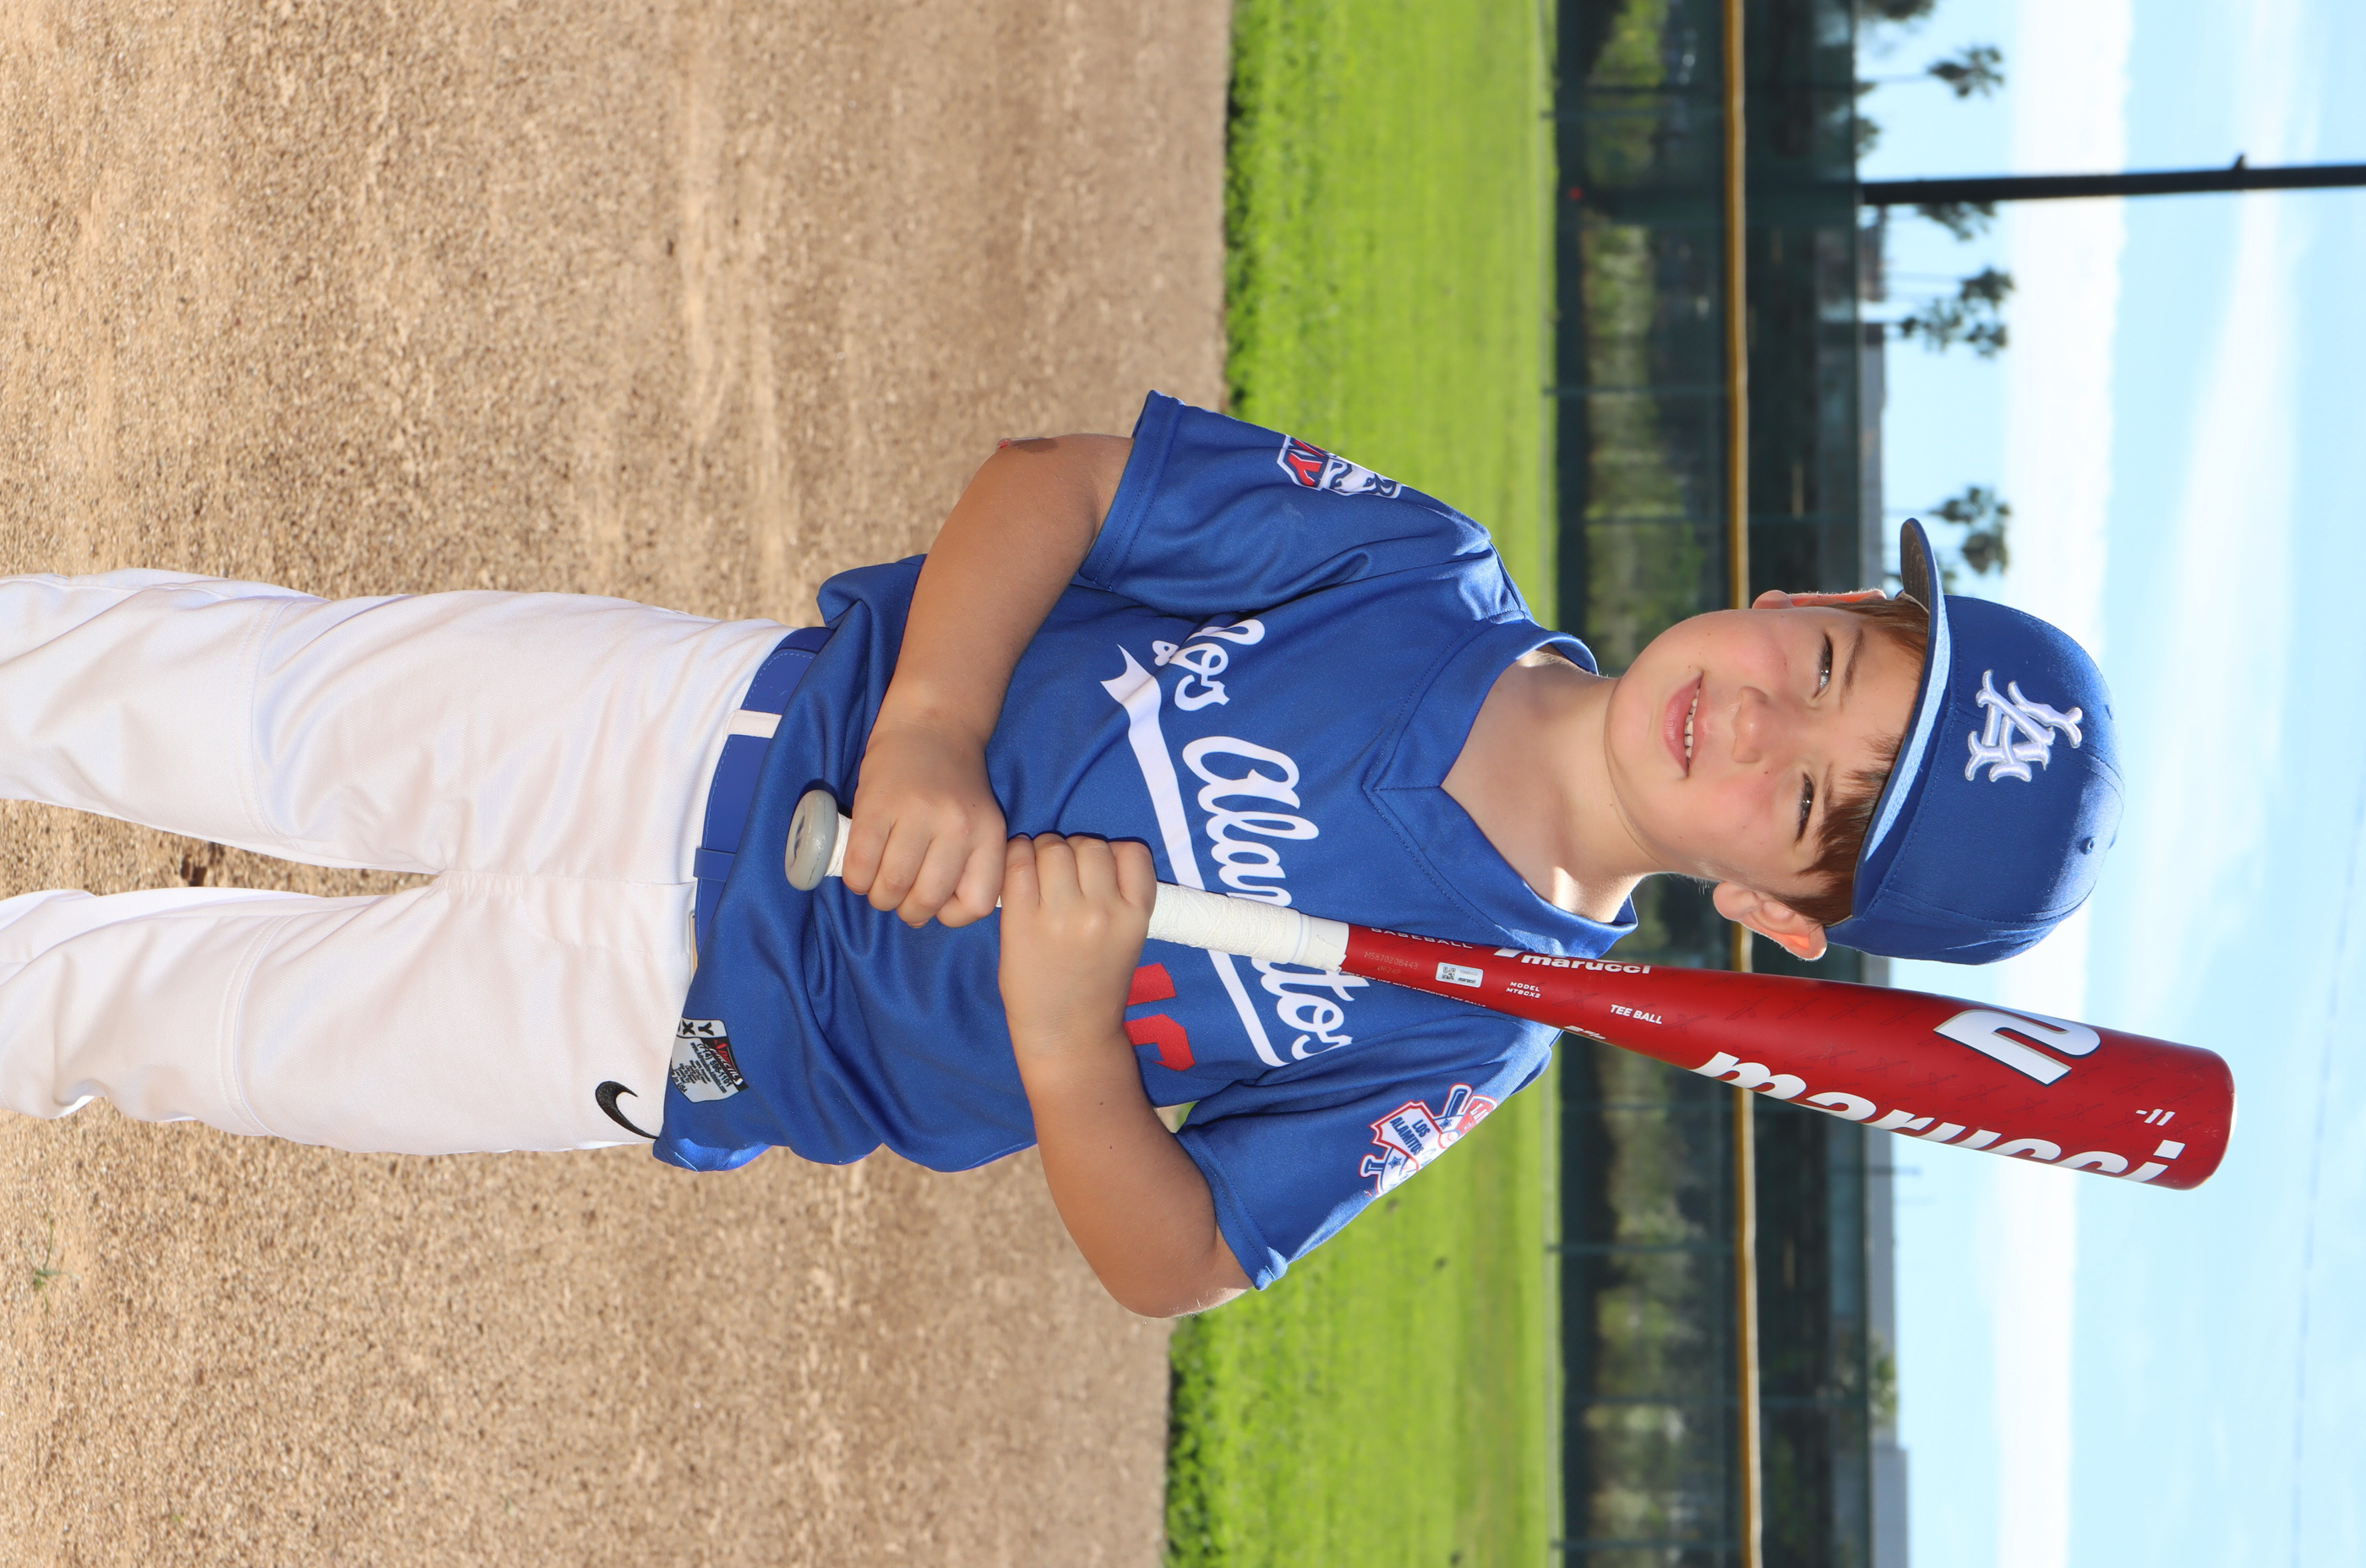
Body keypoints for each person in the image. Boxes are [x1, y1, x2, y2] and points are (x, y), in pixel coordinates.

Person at [0, 394, 2122, 1316]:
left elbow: (1173, 1257)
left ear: (1768, 915)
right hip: (711, 729)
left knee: (214, 1031)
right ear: (1795, 593)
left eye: (1816, 808)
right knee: (244, 701)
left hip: (727, 1032)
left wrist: (1063, 1036)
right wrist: (930, 727)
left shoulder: (1467, 1042)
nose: (1756, 728)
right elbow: (1053, 488)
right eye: (1821, 668)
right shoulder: (1411, 571)